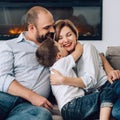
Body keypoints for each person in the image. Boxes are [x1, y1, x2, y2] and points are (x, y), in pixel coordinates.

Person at [49, 19, 120, 120]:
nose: (66, 40)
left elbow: (91, 82)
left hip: (111, 86)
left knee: (117, 112)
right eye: (60, 38)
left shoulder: (87, 48)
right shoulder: (63, 61)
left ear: (75, 35)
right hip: (100, 98)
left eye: (69, 35)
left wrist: (63, 80)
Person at [36, 37, 117, 120]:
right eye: (60, 46)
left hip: (67, 112)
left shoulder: (53, 70)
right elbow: (79, 50)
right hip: (73, 105)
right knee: (107, 92)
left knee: (102, 106)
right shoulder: (62, 63)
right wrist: (76, 41)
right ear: (59, 56)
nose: (63, 45)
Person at [0, 6, 55, 120]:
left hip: (28, 107)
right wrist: (33, 96)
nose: (52, 30)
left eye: (53, 25)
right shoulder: (9, 45)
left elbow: (76, 45)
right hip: (5, 98)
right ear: (31, 28)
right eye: (47, 27)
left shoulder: (55, 46)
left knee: (43, 115)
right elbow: (2, 78)